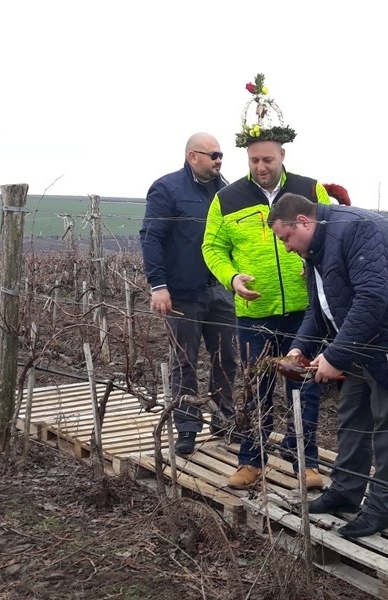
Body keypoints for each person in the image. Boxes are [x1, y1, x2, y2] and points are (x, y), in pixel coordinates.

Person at [268, 193, 388, 538]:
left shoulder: (357, 228)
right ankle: (346, 490)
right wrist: (299, 348)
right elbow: (320, 309)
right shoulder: (316, 247)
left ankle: (382, 508)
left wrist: (334, 357)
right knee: (351, 416)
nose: (285, 247)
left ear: (303, 222)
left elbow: (372, 299)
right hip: (363, 345)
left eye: (285, 238)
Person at [201, 74, 327, 491]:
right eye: (254, 160)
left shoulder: (312, 190)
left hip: (304, 312)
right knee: (256, 386)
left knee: (305, 387)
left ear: (282, 154)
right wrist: (232, 276)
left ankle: (303, 462)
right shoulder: (228, 198)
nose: (261, 167)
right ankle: (251, 461)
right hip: (253, 312)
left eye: (268, 160)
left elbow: (330, 238)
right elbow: (212, 248)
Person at [140, 132, 239, 456]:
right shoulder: (167, 189)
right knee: (185, 361)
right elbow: (151, 238)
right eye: (213, 155)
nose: (219, 160)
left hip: (220, 291)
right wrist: (158, 285)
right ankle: (187, 428)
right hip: (182, 293)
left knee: (226, 357)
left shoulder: (227, 192)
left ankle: (224, 418)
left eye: (221, 155)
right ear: (192, 156)